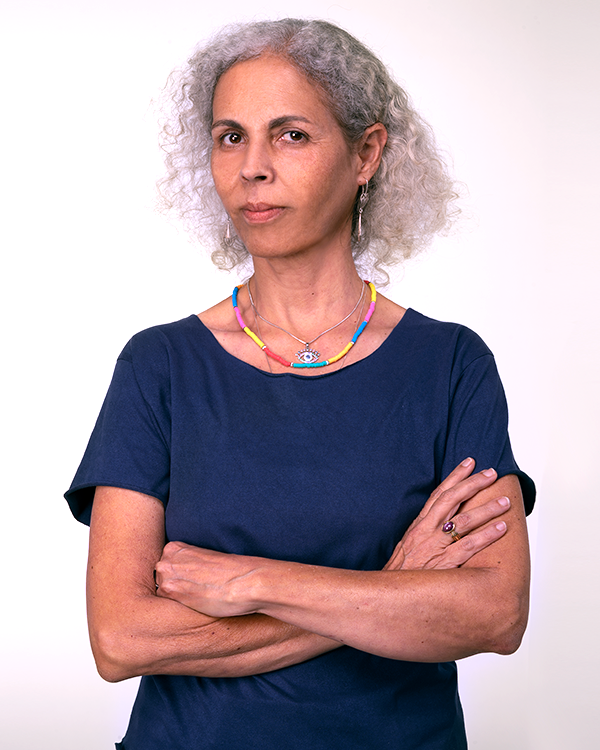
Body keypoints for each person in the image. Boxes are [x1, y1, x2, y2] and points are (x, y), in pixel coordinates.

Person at [65, 18, 535, 750]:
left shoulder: (450, 365)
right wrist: (390, 586)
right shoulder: (159, 365)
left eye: (290, 134)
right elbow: (122, 639)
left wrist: (252, 583)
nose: (252, 167)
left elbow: (495, 615)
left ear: (366, 153)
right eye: (230, 136)